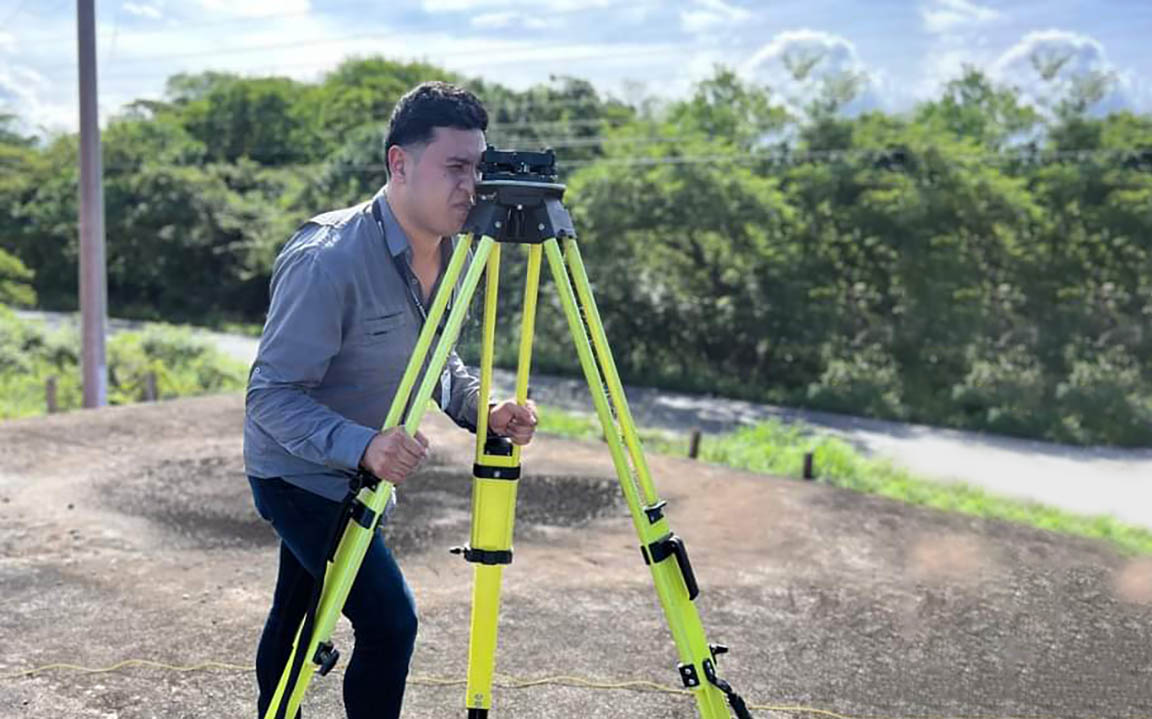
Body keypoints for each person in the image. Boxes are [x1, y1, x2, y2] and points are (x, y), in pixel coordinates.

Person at [243, 81, 537, 719]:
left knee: (300, 606)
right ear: (399, 164)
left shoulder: (458, 252)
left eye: (478, 168)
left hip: (364, 473)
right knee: (388, 621)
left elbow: (435, 358)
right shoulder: (327, 260)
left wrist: (482, 409)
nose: (471, 186)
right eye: (454, 167)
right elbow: (270, 396)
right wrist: (366, 446)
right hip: (297, 474)